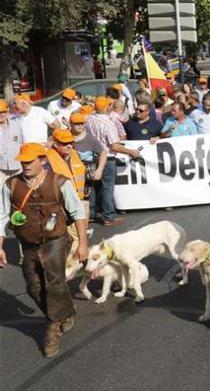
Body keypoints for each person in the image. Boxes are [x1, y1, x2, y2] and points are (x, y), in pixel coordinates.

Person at [0, 143, 89, 357]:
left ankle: (52, 330)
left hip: (55, 239)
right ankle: (65, 312)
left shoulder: (60, 181)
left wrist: (83, 244)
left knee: (54, 282)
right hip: (28, 242)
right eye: (23, 161)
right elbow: (2, 215)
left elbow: (78, 213)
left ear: (42, 160)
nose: (26, 165)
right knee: (33, 286)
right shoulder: (10, 185)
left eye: (30, 161)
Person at [86, 97, 140, 226]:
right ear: (107, 107)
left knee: (94, 188)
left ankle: (91, 214)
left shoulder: (89, 119)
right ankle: (108, 216)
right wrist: (131, 152)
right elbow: (114, 146)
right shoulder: (107, 124)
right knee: (106, 188)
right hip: (107, 157)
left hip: (92, 156)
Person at [0, 100, 23, 185]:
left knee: (18, 193)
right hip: (1, 169)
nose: (1, 114)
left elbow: (24, 142)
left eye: (3, 112)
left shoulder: (17, 124)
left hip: (18, 166)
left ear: (7, 111)